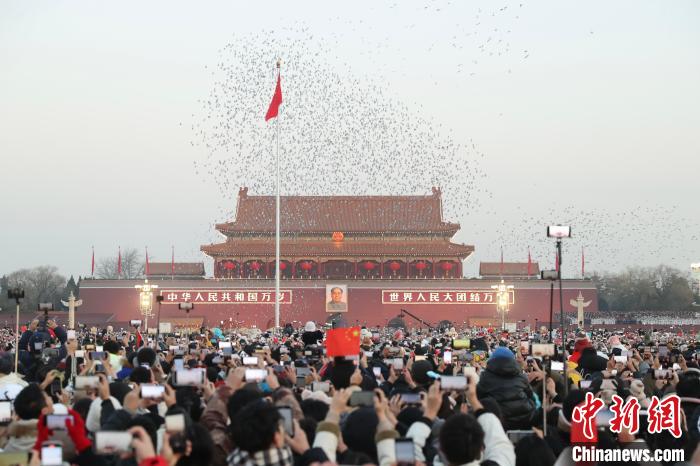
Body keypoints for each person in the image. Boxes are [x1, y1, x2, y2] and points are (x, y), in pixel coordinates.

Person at [476, 347, 536, 430]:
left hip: (495, 423)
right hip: (522, 421)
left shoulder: (485, 377)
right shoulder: (522, 377)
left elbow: (478, 399)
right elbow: (532, 398)